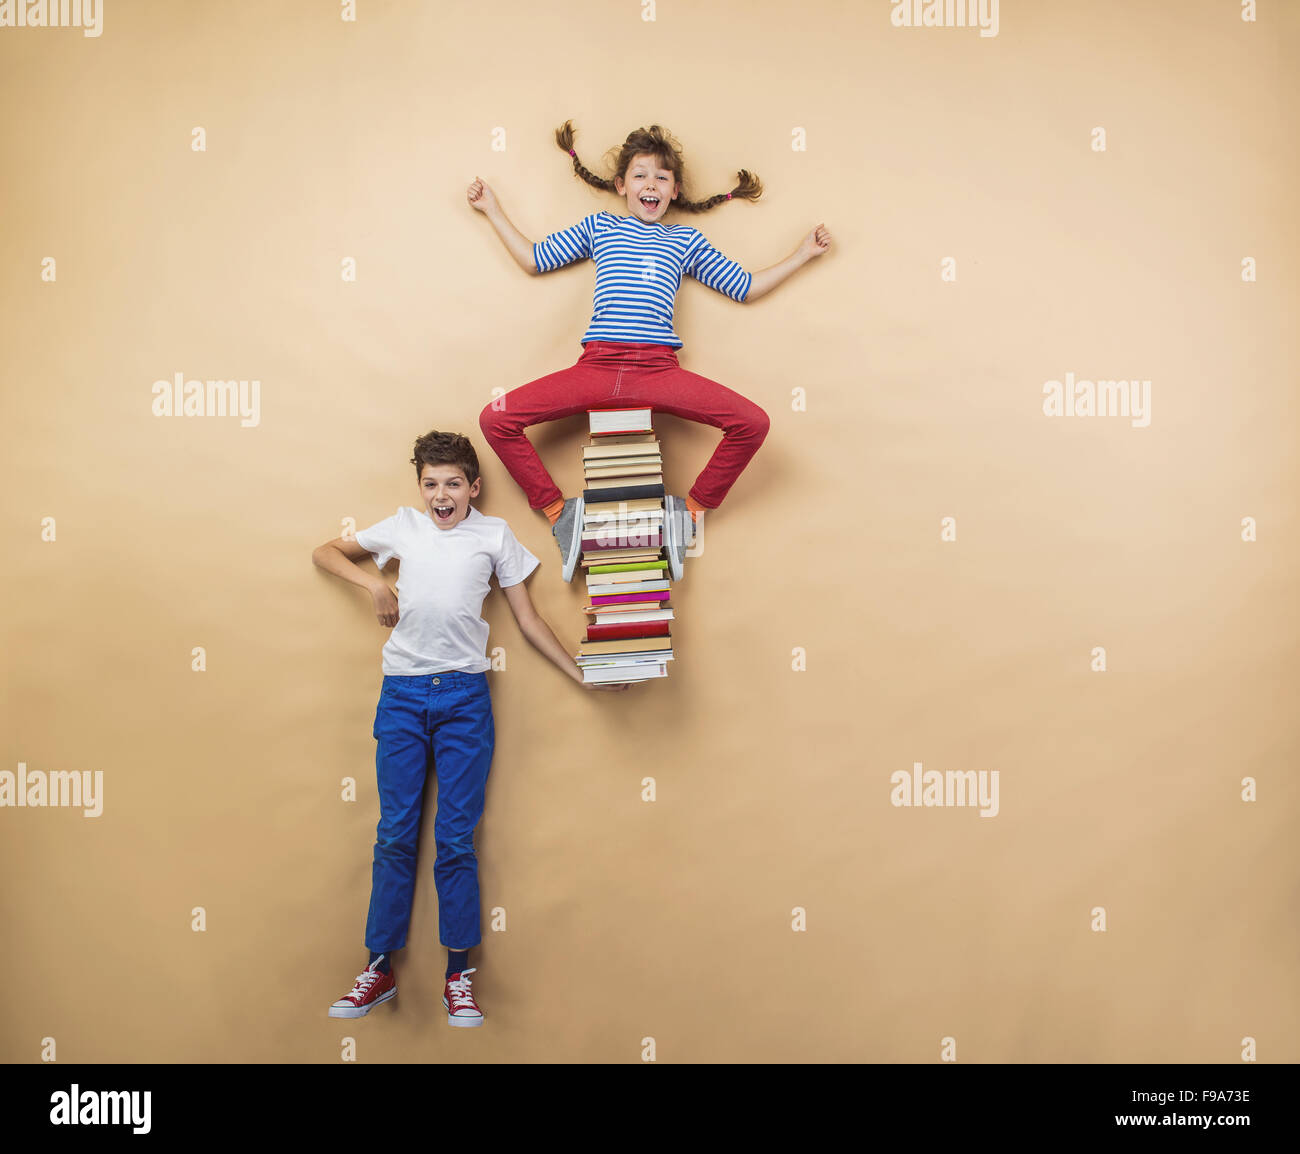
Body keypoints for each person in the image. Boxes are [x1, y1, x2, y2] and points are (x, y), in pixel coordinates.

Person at [313, 430, 627, 1028]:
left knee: (455, 840)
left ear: (473, 487)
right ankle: (377, 969)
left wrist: (581, 674)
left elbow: (528, 619)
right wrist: (375, 582)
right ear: (420, 488)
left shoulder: (494, 536)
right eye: (431, 483)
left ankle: (459, 976)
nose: (440, 495)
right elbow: (325, 552)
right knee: (395, 833)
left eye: (452, 483)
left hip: (464, 698)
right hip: (402, 696)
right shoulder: (402, 527)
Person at [470, 118, 832, 582]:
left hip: (658, 371)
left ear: (675, 190)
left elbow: (744, 286)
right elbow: (535, 259)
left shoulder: (685, 240)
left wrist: (802, 254)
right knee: (495, 417)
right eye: (640, 175)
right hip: (597, 367)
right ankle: (562, 517)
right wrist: (492, 210)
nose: (651, 184)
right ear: (622, 185)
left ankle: (689, 514)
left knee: (753, 422)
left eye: (662, 177)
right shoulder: (600, 227)